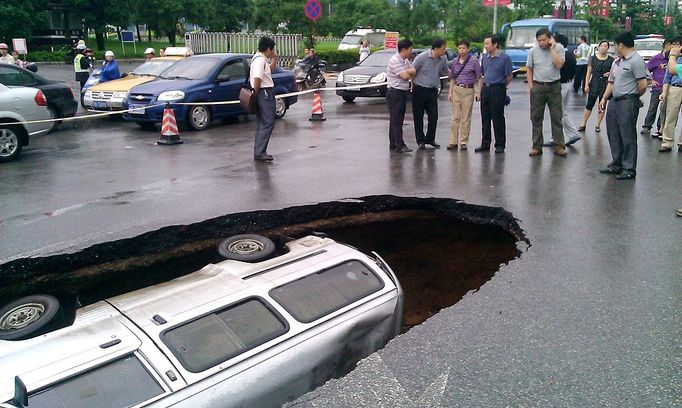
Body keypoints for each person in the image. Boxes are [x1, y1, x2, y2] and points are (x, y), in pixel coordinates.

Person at [598, 31, 648, 180]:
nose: (613, 49)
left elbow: (643, 85)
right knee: (613, 133)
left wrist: (633, 97)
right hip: (614, 101)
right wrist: (605, 98)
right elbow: (611, 82)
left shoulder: (636, 60)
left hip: (628, 101)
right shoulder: (618, 61)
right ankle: (616, 164)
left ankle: (629, 168)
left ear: (621, 45)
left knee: (627, 135)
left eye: (615, 45)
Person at [526, 27, 567, 157]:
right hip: (538, 86)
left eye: (544, 40)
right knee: (536, 117)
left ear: (550, 38)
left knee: (556, 117)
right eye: (539, 41)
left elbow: (559, 65)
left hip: (554, 86)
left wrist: (552, 48)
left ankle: (559, 145)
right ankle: (537, 146)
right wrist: (531, 86)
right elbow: (529, 68)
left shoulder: (558, 48)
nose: (542, 43)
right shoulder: (533, 51)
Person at [476, 34, 512, 153]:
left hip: (498, 88)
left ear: (495, 44)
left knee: (498, 118)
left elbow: (509, 76)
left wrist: (502, 87)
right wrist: (479, 91)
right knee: (485, 118)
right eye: (484, 44)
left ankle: (500, 144)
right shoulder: (485, 57)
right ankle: (485, 143)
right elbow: (482, 75)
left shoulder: (505, 58)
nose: (485, 46)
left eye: (487, 43)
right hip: (486, 88)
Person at [411, 38, 449, 149]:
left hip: (432, 91)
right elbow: (413, 70)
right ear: (436, 48)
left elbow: (445, 71)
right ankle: (420, 140)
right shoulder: (422, 57)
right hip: (419, 89)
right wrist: (411, 84)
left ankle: (430, 138)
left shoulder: (443, 58)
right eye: (443, 48)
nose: (444, 51)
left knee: (433, 116)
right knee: (418, 116)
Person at [447, 39, 482, 151]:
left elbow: (479, 77)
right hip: (457, 88)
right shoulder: (454, 62)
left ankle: (463, 141)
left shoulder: (473, 61)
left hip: (468, 90)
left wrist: (478, 92)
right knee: (455, 117)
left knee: (466, 117)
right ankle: (453, 141)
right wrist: (450, 92)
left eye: (464, 48)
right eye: (460, 48)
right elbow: (452, 77)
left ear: (468, 49)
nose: (461, 50)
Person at [250, 36, 279, 162]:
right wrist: (256, 94)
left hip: (264, 92)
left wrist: (274, 59)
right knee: (267, 122)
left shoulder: (261, 59)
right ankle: (260, 152)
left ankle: (260, 151)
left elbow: (269, 71)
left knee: (263, 123)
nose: (273, 52)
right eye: (272, 50)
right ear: (268, 48)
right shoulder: (260, 61)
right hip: (264, 92)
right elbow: (257, 78)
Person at [386, 39, 416, 154]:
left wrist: (409, 71)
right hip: (395, 93)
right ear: (404, 49)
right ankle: (399, 144)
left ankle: (393, 143)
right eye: (410, 50)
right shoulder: (395, 60)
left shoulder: (405, 61)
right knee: (396, 120)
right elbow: (404, 76)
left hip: (402, 92)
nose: (411, 52)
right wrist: (409, 72)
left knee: (397, 119)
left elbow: (414, 70)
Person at [578, 40, 614, 133]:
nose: (603, 48)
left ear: (608, 48)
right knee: (589, 104)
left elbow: (614, 72)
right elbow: (589, 72)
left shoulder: (611, 60)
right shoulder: (593, 58)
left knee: (602, 105)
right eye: (602, 46)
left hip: (605, 83)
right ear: (598, 47)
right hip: (594, 81)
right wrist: (586, 84)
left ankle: (598, 124)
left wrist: (609, 73)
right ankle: (583, 124)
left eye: (605, 46)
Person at [554, 33, 582, 146]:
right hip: (568, 84)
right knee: (560, 111)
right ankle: (555, 136)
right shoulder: (571, 55)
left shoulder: (561, 56)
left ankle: (572, 133)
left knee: (559, 112)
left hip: (559, 86)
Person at [640, 39, 671, 136]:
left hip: (668, 88)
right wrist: (650, 80)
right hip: (657, 87)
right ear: (666, 46)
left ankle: (660, 128)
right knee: (653, 107)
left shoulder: (672, 59)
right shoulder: (656, 58)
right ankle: (647, 126)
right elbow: (646, 69)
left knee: (664, 109)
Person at [659, 37, 682, 153]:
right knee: (670, 116)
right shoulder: (672, 59)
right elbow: (667, 77)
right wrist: (664, 92)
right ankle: (667, 142)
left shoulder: (673, 59)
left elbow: (673, 70)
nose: (674, 47)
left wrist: (673, 56)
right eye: (673, 44)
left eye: (677, 44)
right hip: (675, 87)